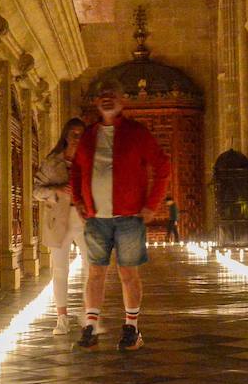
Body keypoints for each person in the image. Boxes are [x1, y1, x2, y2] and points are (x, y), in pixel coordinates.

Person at [70, 79, 171, 351]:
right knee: (95, 274)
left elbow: (163, 166)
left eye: (112, 94)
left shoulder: (137, 132)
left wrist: (151, 204)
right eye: (102, 95)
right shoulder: (89, 135)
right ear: (96, 101)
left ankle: (132, 328)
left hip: (129, 218)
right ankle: (90, 326)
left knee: (128, 274)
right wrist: (78, 200)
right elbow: (76, 170)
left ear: (122, 100)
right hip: (96, 218)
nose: (106, 99)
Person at [33, 117, 87, 334]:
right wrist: (56, 190)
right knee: (60, 269)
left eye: (81, 134)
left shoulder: (89, 162)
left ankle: (88, 313)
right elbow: (36, 190)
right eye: (74, 134)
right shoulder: (52, 162)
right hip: (58, 220)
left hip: (84, 218)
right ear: (66, 135)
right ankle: (61, 318)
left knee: (92, 268)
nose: (77, 138)